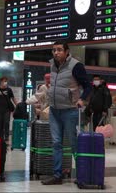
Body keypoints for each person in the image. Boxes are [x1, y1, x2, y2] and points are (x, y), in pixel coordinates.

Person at [41, 40, 91, 185]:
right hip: (54, 111)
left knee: (75, 143)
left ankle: (83, 175)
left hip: (70, 111)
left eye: (59, 50)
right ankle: (57, 175)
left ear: (67, 51)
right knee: (56, 143)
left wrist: (81, 99)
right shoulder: (53, 65)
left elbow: (88, 86)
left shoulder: (76, 65)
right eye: (54, 50)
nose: (56, 52)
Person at [0, 76, 16, 142]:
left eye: (6, 81)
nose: (5, 82)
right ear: (1, 82)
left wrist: (17, 105)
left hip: (7, 110)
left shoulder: (9, 90)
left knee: (6, 123)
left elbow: (13, 98)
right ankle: (0, 136)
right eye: (4, 81)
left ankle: (6, 137)